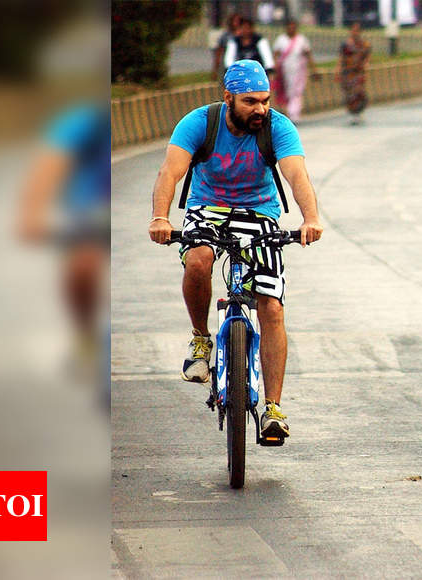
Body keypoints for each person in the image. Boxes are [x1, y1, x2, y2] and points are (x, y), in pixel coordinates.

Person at [147, 60, 324, 439]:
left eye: (264, 100)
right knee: (197, 259)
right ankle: (200, 340)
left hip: (259, 212)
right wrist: (160, 217)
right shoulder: (199, 123)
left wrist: (310, 217)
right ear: (227, 98)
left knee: (272, 306)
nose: (260, 109)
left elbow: (296, 174)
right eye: (250, 102)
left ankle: (273, 409)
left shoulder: (277, 127)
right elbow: (170, 172)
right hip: (207, 207)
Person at [17, 103, 111, 390]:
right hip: (88, 209)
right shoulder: (86, 121)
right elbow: (50, 165)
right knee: (82, 266)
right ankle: (84, 336)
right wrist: (32, 213)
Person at [273, 20, 314, 122]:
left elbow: (308, 54)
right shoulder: (281, 40)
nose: (291, 29)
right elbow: (276, 54)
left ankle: (293, 114)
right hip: (285, 71)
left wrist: (314, 69)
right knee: (287, 92)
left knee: (296, 92)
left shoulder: (301, 40)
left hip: (299, 71)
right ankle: (289, 112)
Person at [337, 23, 371, 125]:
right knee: (350, 95)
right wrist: (338, 71)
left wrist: (365, 67)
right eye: (353, 30)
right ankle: (353, 114)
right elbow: (341, 59)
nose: (355, 33)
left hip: (358, 73)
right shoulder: (345, 45)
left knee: (359, 93)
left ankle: (359, 112)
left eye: (357, 30)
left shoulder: (365, 45)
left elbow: (367, 58)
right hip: (347, 73)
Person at [213, 13, 243, 81]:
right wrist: (215, 69)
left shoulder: (245, 36)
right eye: (234, 21)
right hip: (228, 66)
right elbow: (219, 53)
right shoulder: (226, 36)